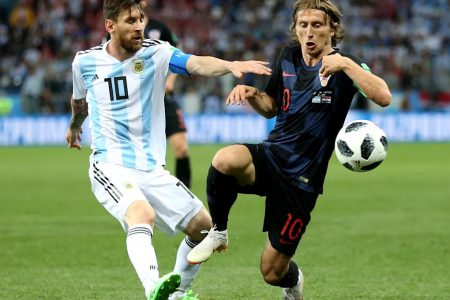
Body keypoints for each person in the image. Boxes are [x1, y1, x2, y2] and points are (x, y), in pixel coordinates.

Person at [65, 1, 271, 300]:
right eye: (130, 21)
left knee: (204, 229)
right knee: (141, 214)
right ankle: (153, 289)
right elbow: (78, 101)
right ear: (110, 26)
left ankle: (178, 293)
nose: (139, 26)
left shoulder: (157, 52)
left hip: (151, 167)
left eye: (141, 19)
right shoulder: (84, 62)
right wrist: (74, 126)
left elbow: (196, 63)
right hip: (110, 163)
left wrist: (229, 66)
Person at [187, 0, 391, 299]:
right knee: (225, 158)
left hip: (303, 180)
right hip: (273, 155)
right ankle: (218, 231)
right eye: (303, 25)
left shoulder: (346, 64)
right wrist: (252, 93)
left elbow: (383, 96)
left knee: (271, 272)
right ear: (295, 28)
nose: (309, 32)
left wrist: (346, 64)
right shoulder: (288, 56)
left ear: (332, 29)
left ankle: (293, 284)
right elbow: (271, 107)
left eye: (317, 25)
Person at [144, 10, 192, 188]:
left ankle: (185, 194)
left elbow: (178, 54)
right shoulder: (122, 29)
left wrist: (170, 80)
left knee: (181, 147)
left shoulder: (159, 28)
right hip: (141, 103)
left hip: (165, 99)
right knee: (149, 156)